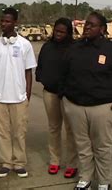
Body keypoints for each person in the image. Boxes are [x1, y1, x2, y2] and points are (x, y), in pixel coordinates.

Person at [60, 12, 112, 190]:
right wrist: (65, 97)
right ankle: (85, 179)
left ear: (102, 29)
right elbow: (64, 74)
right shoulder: (75, 48)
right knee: (83, 146)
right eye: (86, 24)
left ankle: (103, 182)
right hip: (76, 106)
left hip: (103, 107)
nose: (87, 27)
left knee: (102, 148)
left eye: (92, 25)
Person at [0, 7, 37, 179]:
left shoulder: (25, 44)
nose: (4, 24)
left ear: (15, 22)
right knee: (2, 132)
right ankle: (6, 163)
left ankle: (19, 163)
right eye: (2, 20)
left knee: (19, 132)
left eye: (8, 21)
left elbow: (29, 72)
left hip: (19, 97)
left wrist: (27, 95)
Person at [35, 17, 78, 178]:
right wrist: (42, 77)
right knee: (54, 128)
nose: (58, 34)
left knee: (70, 130)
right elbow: (40, 67)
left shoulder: (75, 48)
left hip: (69, 95)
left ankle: (72, 163)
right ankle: (55, 161)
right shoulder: (47, 47)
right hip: (50, 93)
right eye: (56, 31)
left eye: (62, 32)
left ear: (68, 33)